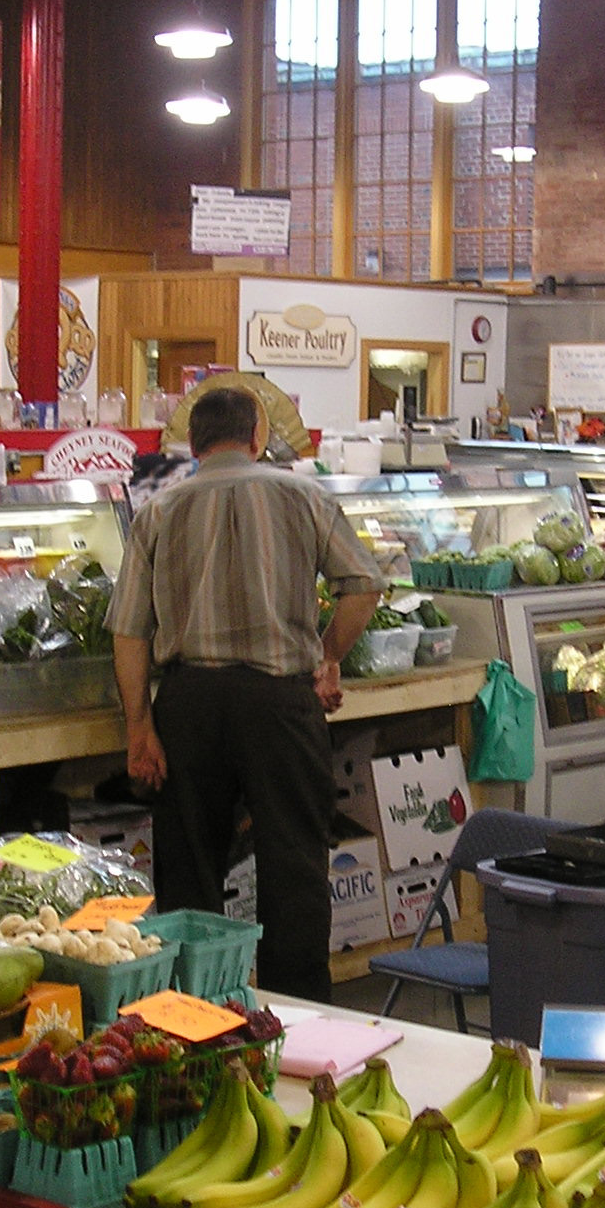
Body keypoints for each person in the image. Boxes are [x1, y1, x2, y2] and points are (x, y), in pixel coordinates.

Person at [109, 388, 385, 1000]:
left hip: (190, 705)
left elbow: (128, 630)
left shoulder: (158, 510)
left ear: (194, 444)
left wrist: (139, 726)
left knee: (190, 870)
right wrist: (328, 656)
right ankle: (300, 1018)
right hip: (281, 705)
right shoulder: (304, 496)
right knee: (295, 866)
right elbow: (364, 585)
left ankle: (193, 1013)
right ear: (258, 436)